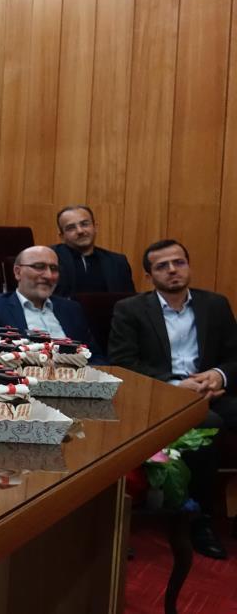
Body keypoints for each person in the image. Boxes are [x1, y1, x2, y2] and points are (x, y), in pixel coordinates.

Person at [109, 239, 237, 559]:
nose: (172, 270)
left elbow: (235, 356)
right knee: (208, 424)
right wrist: (176, 385)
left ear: (188, 266)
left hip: (213, 391)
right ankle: (199, 519)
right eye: (162, 266)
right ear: (149, 276)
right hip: (163, 397)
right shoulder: (129, 309)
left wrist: (218, 375)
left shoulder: (215, 305)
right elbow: (124, 363)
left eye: (178, 262)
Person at [0, 246, 98, 352]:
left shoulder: (72, 309)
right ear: (17, 272)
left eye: (54, 269)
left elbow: (94, 355)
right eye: (39, 267)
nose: (49, 275)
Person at [51, 205, 135, 297]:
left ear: (95, 227)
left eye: (84, 224)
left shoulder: (118, 263)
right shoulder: (50, 259)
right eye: (71, 228)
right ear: (62, 236)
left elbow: (129, 301)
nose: (80, 231)